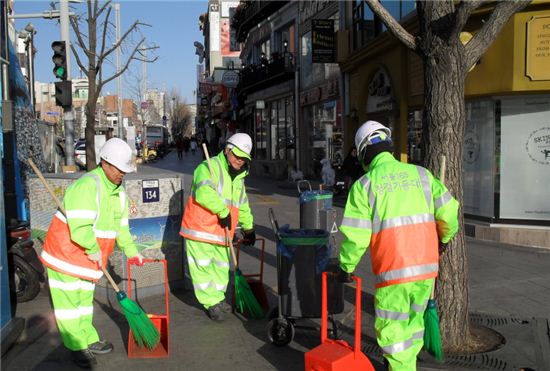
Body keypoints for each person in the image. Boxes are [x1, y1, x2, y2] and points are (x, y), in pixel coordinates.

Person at [337, 120, 459, 370]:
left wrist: (346, 266)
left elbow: (356, 235)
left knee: (394, 334)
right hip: (426, 271)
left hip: (393, 273)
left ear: (363, 153)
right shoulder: (422, 175)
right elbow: (449, 213)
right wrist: (443, 240)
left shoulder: (364, 186)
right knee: (413, 328)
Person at [40, 138, 144, 369]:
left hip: (88, 260)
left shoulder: (120, 194)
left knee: (84, 304)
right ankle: (76, 346)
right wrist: (94, 249)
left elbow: (121, 229)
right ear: (105, 162)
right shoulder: (88, 186)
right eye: (119, 169)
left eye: (125, 170)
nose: (122, 175)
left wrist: (132, 252)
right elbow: (80, 229)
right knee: (69, 306)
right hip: (65, 257)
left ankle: (88, 338)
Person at [180, 133, 256, 321]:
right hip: (201, 229)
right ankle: (210, 302)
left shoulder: (239, 178)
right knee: (203, 267)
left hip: (223, 233)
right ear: (227, 150)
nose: (240, 161)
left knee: (221, 267)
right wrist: (223, 212)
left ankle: (218, 297)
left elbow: (242, 203)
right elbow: (203, 192)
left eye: (244, 158)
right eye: (237, 155)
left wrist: (249, 227)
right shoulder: (208, 167)